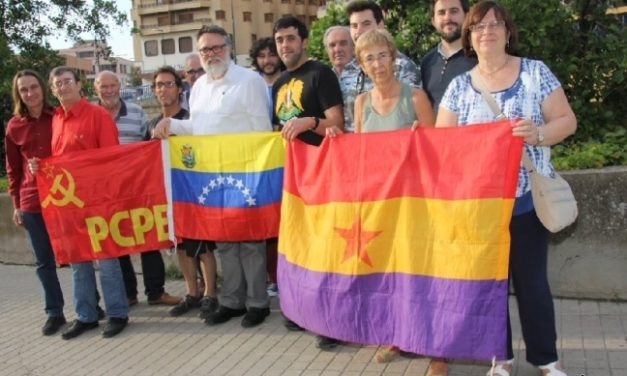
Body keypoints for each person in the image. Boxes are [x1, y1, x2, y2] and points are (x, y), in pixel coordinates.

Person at [436, 2, 576, 375]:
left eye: (495, 24)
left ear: (508, 32)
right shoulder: (458, 88)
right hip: (479, 209)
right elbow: (443, 146)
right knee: (491, 287)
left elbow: (567, 121)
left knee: (532, 286)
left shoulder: (534, 73)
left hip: (527, 201)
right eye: (478, 26)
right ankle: (501, 359)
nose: (487, 32)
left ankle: (547, 360)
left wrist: (539, 133)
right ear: (469, 37)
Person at [326, 28, 434, 364]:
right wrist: (334, 134)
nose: (377, 64)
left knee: (419, 272)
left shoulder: (415, 97)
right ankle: (394, 337)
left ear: (393, 56)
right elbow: (359, 154)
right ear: (361, 64)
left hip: (415, 203)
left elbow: (439, 150)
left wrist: (422, 138)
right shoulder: (360, 103)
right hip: (379, 203)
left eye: (382, 55)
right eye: (369, 58)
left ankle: (433, 346)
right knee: (388, 272)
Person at [152, 26, 272, 328]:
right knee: (226, 242)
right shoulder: (201, 85)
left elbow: (262, 130)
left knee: (252, 242)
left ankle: (258, 303)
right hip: (214, 176)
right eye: (205, 49)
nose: (211, 54)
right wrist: (171, 124)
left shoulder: (250, 81)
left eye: (216, 48)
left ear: (228, 48)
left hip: (247, 173)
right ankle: (232, 301)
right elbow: (199, 127)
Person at [30, 66, 129, 339]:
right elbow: (59, 163)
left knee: (107, 260)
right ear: (52, 90)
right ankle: (86, 315)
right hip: (70, 205)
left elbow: (111, 160)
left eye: (67, 82)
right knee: (78, 262)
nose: (63, 87)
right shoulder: (57, 119)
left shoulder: (97, 115)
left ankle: (118, 313)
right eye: (57, 84)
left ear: (78, 85)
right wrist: (40, 168)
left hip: (98, 203)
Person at [272, 15, 344, 350]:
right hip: (294, 180)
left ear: (303, 41)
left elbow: (337, 123)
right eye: (279, 40)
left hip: (326, 176)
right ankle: (302, 310)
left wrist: (309, 122)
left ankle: (331, 321)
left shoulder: (321, 73)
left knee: (327, 249)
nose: (284, 45)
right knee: (300, 245)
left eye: (290, 38)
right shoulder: (278, 83)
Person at [94, 70, 182, 308]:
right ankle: (129, 294)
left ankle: (156, 292)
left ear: (119, 86)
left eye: (113, 85)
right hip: (106, 192)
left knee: (150, 239)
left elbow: (148, 147)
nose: (110, 90)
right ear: (96, 89)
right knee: (116, 241)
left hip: (137, 187)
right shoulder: (92, 115)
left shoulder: (137, 112)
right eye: (104, 87)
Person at [144, 66, 219, 319]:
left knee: (202, 246)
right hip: (168, 196)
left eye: (168, 84)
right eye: (158, 85)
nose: (163, 89)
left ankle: (210, 293)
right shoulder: (152, 124)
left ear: (179, 88)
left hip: (195, 192)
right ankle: (192, 293)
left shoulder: (191, 119)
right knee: (180, 245)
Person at [5, 70, 66, 336]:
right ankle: (55, 312)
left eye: (33, 87)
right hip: (32, 202)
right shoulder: (14, 126)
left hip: (64, 198)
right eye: (24, 90)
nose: (30, 93)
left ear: (42, 88)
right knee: (44, 262)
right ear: (18, 94)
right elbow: (13, 170)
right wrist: (16, 204)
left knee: (79, 255)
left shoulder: (59, 117)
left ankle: (90, 306)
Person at [341, 0, 421, 132]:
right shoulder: (347, 70)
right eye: (354, 26)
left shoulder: (403, 66)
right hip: (357, 147)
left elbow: (411, 115)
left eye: (366, 24)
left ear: (380, 25)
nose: (359, 31)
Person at [248, 36, 285, 297]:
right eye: (262, 56)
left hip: (287, 157)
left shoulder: (289, 82)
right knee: (266, 223)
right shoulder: (252, 85)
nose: (267, 61)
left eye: (271, 55)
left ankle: (286, 277)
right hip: (259, 161)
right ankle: (271, 278)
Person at [421, 0, 477, 112]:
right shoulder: (427, 62)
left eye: (454, 11)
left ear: (466, 16)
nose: (448, 18)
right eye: (441, 13)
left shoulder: (480, 58)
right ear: (433, 21)